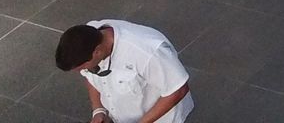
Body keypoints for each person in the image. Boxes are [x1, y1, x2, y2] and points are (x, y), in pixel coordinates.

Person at [54, 20, 192, 123]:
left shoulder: (147, 52)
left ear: (97, 51)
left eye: (83, 67)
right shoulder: (89, 37)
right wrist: (99, 110)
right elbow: (91, 78)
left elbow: (178, 90)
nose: (83, 71)